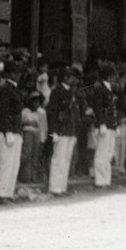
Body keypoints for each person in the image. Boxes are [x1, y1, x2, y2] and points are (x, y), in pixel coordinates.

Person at [0, 60, 24, 202]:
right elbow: (3, 112)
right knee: (6, 163)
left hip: (16, 130)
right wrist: (7, 131)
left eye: (19, 72)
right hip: (8, 131)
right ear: (9, 74)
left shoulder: (14, 88)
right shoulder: (6, 89)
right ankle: (1, 194)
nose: (18, 75)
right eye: (15, 72)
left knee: (14, 163)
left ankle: (8, 193)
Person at [47, 67, 83, 195]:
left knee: (66, 160)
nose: (71, 78)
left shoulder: (71, 92)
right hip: (61, 130)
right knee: (58, 159)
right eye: (68, 76)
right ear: (64, 77)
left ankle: (62, 186)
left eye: (72, 76)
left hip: (70, 129)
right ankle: (54, 187)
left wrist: (75, 131)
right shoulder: (57, 92)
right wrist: (53, 131)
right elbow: (52, 113)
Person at [88, 64, 120, 189]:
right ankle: (100, 180)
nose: (114, 77)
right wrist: (101, 123)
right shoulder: (99, 88)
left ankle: (106, 180)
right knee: (101, 153)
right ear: (108, 75)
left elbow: (113, 109)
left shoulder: (108, 88)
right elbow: (98, 107)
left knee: (109, 153)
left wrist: (115, 125)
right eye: (112, 75)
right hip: (104, 125)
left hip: (110, 124)